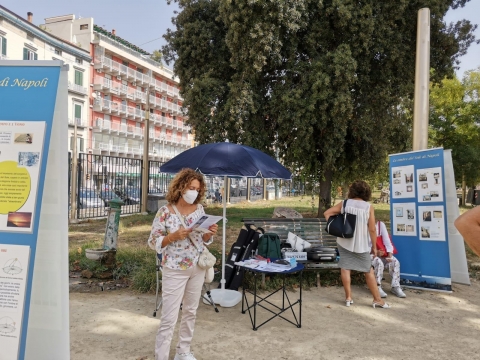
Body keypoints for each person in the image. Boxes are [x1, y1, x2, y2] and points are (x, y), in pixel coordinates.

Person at [147, 168, 218, 360]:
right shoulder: (165, 212)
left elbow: (202, 240)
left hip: (197, 267)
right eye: (190, 187)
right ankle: (161, 356)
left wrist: (209, 234)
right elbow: (153, 241)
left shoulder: (199, 210)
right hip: (174, 269)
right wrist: (172, 237)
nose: (193, 192)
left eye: (197, 188)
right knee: (169, 317)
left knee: (190, 312)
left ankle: (183, 351)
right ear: (180, 187)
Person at [324, 180, 390, 309]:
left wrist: (337, 227)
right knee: (368, 270)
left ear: (352, 191)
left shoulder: (345, 203)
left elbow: (327, 213)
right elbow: (372, 229)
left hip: (344, 241)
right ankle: (377, 299)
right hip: (361, 244)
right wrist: (374, 247)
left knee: (345, 268)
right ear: (367, 193)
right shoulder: (368, 207)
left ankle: (348, 298)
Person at [372, 221, 406, 298]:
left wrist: (389, 255)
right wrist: (375, 252)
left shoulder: (380, 225)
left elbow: (387, 241)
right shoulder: (363, 226)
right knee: (378, 262)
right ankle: (377, 286)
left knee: (395, 262)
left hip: (382, 253)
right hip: (370, 254)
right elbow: (364, 246)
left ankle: (395, 286)